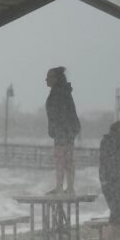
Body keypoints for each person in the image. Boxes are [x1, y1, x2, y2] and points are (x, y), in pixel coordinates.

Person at [45, 66, 80, 195]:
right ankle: (68, 187)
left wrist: (57, 130)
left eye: (48, 77)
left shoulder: (59, 93)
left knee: (62, 160)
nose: (46, 80)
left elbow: (60, 114)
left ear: (56, 78)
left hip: (63, 132)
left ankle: (62, 187)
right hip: (66, 131)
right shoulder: (62, 92)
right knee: (67, 160)